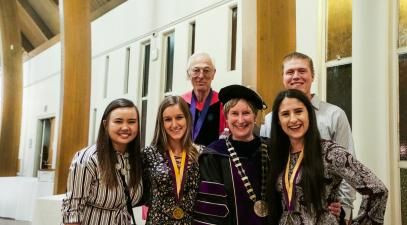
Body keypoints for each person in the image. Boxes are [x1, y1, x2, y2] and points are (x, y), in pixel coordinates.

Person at [267, 89, 388, 225]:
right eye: (285, 114)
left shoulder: (330, 152)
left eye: (299, 111)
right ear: (278, 120)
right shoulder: (278, 155)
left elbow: (378, 191)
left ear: (309, 115)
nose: (293, 119)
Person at [260, 52, 356, 222]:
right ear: (283, 77)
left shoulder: (334, 115)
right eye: (290, 72)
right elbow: (268, 166)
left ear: (312, 75)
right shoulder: (270, 120)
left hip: (324, 214)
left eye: (302, 71)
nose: (296, 76)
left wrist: (344, 208)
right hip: (285, 214)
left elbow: (348, 166)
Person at [193, 84, 270, 225]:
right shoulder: (213, 156)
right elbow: (211, 213)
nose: (240, 120)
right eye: (234, 113)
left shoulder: (271, 151)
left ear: (255, 117)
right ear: (226, 118)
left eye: (246, 113)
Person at [62, 98, 143, 225]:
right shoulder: (88, 159)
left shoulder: (136, 159)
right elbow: (72, 211)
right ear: (105, 124)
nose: (126, 127)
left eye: (132, 122)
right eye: (118, 121)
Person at [142, 96, 203, 224]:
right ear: (161, 123)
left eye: (179, 117)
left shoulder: (201, 153)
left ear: (187, 119)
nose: (174, 124)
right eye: (168, 119)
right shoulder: (148, 154)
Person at [182, 52, 227, 146]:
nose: (201, 76)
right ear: (188, 73)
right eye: (196, 70)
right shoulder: (180, 103)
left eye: (206, 70)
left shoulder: (223, 103)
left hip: (213, 158)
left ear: (213, 74)